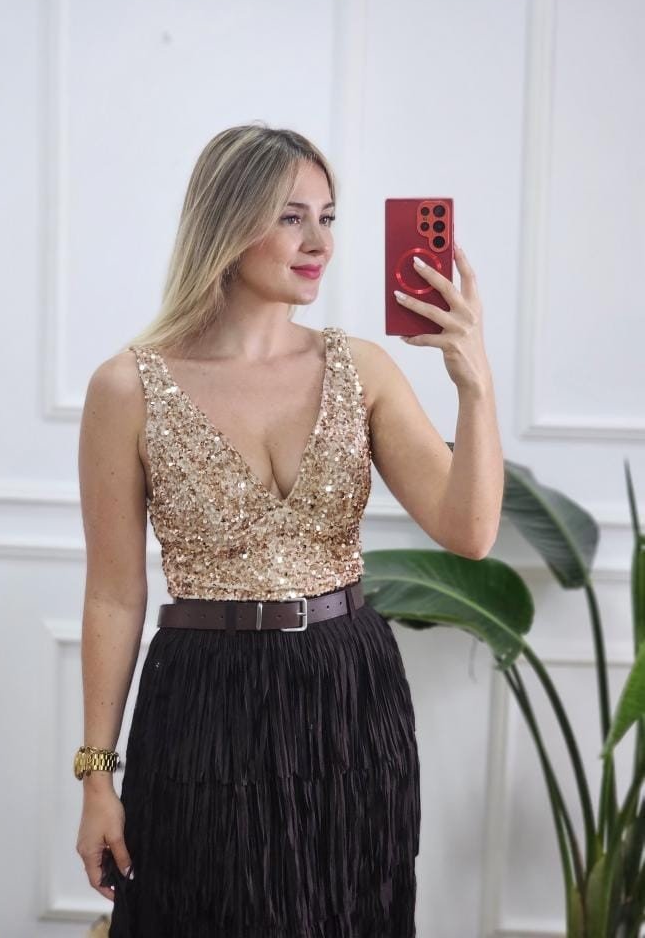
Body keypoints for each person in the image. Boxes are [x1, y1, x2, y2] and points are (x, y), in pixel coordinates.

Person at [74, 123, 503, 937]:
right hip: (203, 701)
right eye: (292, 217)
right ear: (228, 224)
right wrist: (97, 778)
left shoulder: (363, 369)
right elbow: (113, 596)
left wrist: (474, 384)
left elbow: (470, 531)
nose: (320, 244)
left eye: (328, 218)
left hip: (349, 694)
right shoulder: (126, 387)